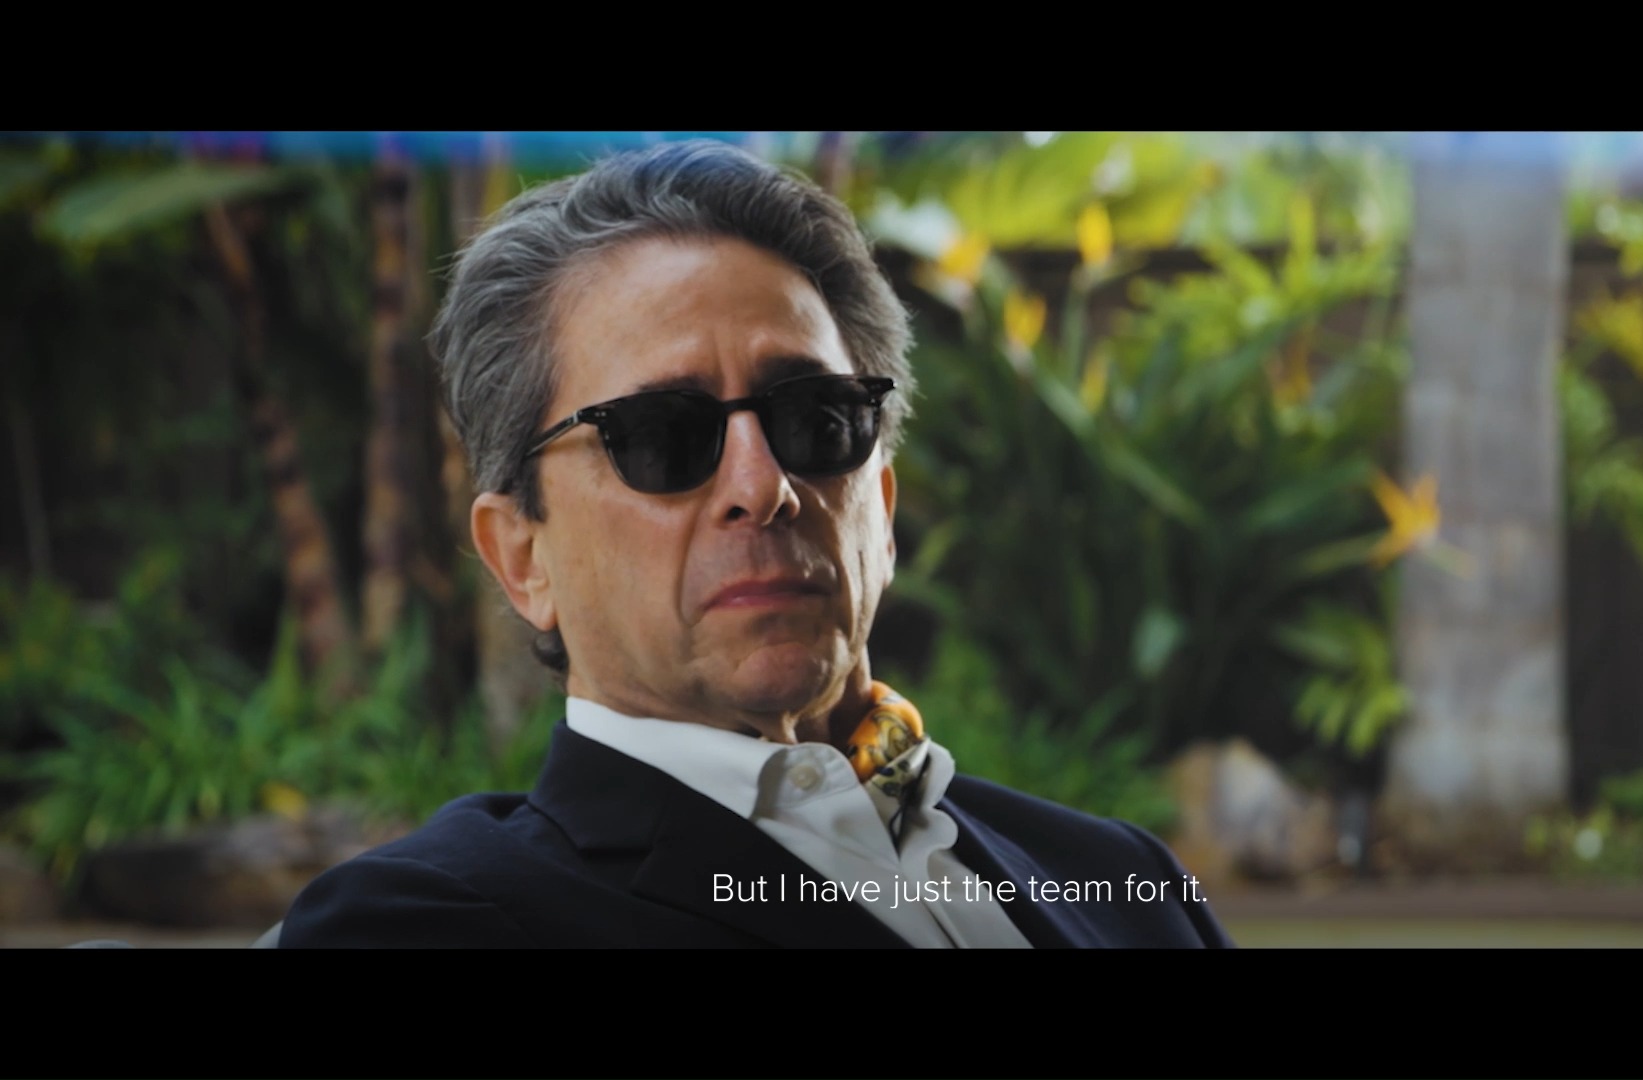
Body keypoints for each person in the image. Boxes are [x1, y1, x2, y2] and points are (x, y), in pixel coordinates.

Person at [279, 139, 1233, 948]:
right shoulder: (427, 924)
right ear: (523, 557)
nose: (762, 486)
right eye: (662, 436)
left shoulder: (1125, 887)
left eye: (816, 418)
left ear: (880, 505)